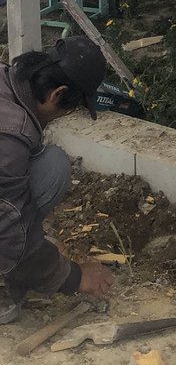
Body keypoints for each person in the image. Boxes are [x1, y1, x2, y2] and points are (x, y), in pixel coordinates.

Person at [1, 37, 115, 324]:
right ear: (56, 94)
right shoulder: (10, 135)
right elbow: (9, 228)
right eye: (68, 109)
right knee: (49, 170)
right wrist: (73, 277)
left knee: (50, 163)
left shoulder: (7, 81)